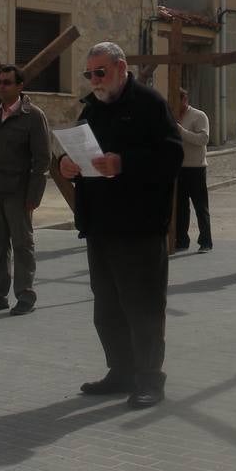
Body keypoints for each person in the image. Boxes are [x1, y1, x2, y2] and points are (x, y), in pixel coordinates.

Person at [59, 41, 183, 408]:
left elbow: (172, 156)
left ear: (121, 67)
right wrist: (70, 168)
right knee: (107, 307)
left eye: (101, 72)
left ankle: (149, 380)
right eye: (90, 74)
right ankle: (120, 371)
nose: (95, 80)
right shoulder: (91, 110)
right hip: (100, 225)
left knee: (142, 306)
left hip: (139, 225)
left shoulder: (150, 104)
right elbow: (86, 159)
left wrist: (124, 163)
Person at [0, 66, 50, 316]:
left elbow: (42, 160)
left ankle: (25, 295)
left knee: (22, 244)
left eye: (6, 82)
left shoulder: (33, 116)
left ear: (19, 86)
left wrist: (34, 197)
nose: (1, 86)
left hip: (18, 192)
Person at [174, 88, 211, 253]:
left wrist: (182, 132)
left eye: (177, 101)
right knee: (180, 207)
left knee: (200, 206)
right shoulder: (173, 116)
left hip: (196, 168)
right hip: (179, 168)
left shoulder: (199, 116)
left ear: (185, 100)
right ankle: (182, 240)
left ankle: (206, 241)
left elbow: (203, 139)